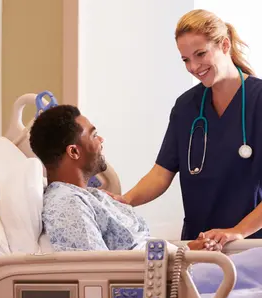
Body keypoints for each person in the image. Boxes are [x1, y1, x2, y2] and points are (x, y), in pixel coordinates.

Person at [105, 9, 262, 246]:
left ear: (225, 45)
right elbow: (161, 173)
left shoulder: (258, 100)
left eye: (200, 54)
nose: (194, 66)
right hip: (198, 244)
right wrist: (126, 200)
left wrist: (237, 231)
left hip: (251, 245)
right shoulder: (186, 107)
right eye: (186, 59)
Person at [29, 104, 216, 252]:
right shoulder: (67, 205)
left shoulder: (90, 196)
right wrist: (182, 259)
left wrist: (185, 251)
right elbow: (98, 272)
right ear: (74, 151)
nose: (101, 140)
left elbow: (137, 250)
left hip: (169, 272)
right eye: (94, 135)